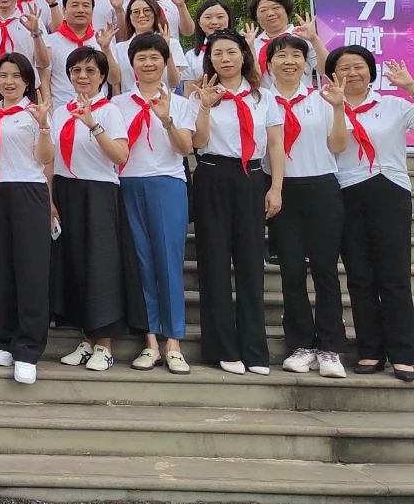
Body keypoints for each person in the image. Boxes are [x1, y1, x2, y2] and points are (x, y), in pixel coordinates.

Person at [190, 29, 285, 375]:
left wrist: (275, 188)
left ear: (244, 55)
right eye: (217, 53)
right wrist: (204, 106)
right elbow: (197, 143)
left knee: (250, 263)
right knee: (214, 262)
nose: (225, 59)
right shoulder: (201, 96)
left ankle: (254, 349)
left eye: (231, 51)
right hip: (213, 175)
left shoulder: (263, 97)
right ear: (210, 59)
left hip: (252, 178)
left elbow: (275, 145)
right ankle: (222, 348)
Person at [49, 47, 142, 373]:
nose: (82, 76)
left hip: (99, 192)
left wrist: (93, 125)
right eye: (76, 71)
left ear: (102, 76)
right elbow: (51, 159)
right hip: (66, 191)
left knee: (101, 267)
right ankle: (87, 339)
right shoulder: (60, 112)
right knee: (75, 264)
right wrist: (50, 199)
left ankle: (105, 345)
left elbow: (120, 155)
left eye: (90, 70)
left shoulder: (110, 111)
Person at [327, 47, 414, 382]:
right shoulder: (326, 107)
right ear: (333, 74)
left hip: (389, 190)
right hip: (346, 191)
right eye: (344, 67)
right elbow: (331, 146)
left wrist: (409, 86)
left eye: (358, 66)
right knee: (359, 275)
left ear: (370, 71)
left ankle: (404, 352)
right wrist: (338, 107)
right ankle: (370, 349)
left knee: (394, 276)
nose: (352, 73)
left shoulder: (393, 105)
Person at [264, 35, 347, 378]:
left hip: (322, 187)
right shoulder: (262, 101)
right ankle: (301, 344)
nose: (289, 61)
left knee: (326, 270)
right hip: (282, 191)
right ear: (269, 63)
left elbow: (338, 145)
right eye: (281, 55)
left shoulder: (323, 98)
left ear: (306, 62)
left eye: (296, 55)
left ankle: (330, 348)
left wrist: (339, 108)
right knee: (292, 271)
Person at [113, 33, 196, 375]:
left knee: (168, 262)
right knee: (141, 264)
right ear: (132, 63)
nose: (148, 64)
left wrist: (167, 119)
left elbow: (186, 148)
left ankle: (173, 342)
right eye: (141, 58)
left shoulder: (180, 103)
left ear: (165, 62)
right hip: (128, 184)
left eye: (154, 58)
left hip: (167, 184)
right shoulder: (118, 104)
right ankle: (150, 341)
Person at [0, 53, 53, 385]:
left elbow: (46, 158)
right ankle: (5, 341)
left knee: (31, 270)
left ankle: (28, 350)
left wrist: (43, 126)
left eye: (16, 76)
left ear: (27, 81)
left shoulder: (35, 113)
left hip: (27, 191)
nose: (9, 81)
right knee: (2, 270)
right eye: (3, 75)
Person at [42, 0, 114, 107]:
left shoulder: (103, 39)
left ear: (92, 10)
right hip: (62, 109)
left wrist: (106, 49)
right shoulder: (50, 41)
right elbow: (44, 81)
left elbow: (114, 80)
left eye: (85, 5)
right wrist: (49, 110)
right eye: (75, 5)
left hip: (98, 108)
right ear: (64, 10)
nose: (80, 10)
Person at [243, 0, 328, 82]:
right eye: (263, 10)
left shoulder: (303, 37)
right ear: (256, 18)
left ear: (287, 12)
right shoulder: (252, 44)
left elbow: (326, 71)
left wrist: (314, 39)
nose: (270, 13)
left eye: (276, 8)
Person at [110, 0, 187, 93]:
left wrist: (167, 50)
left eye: (147, 10)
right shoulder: (119, 48)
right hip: (130, 100)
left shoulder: (172, 44)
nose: (142, 15)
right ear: (130, 17)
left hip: (164, 99)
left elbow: (174, 83)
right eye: (136, 12)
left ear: (155, 13)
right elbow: (115, 84)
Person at [185, 0, 234, 88]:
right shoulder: (191, 56)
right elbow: (188, 93)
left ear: (228, 19)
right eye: (208, 17)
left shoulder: (242, 48)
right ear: (199, 23)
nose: (214, 22)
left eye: (220, 17)